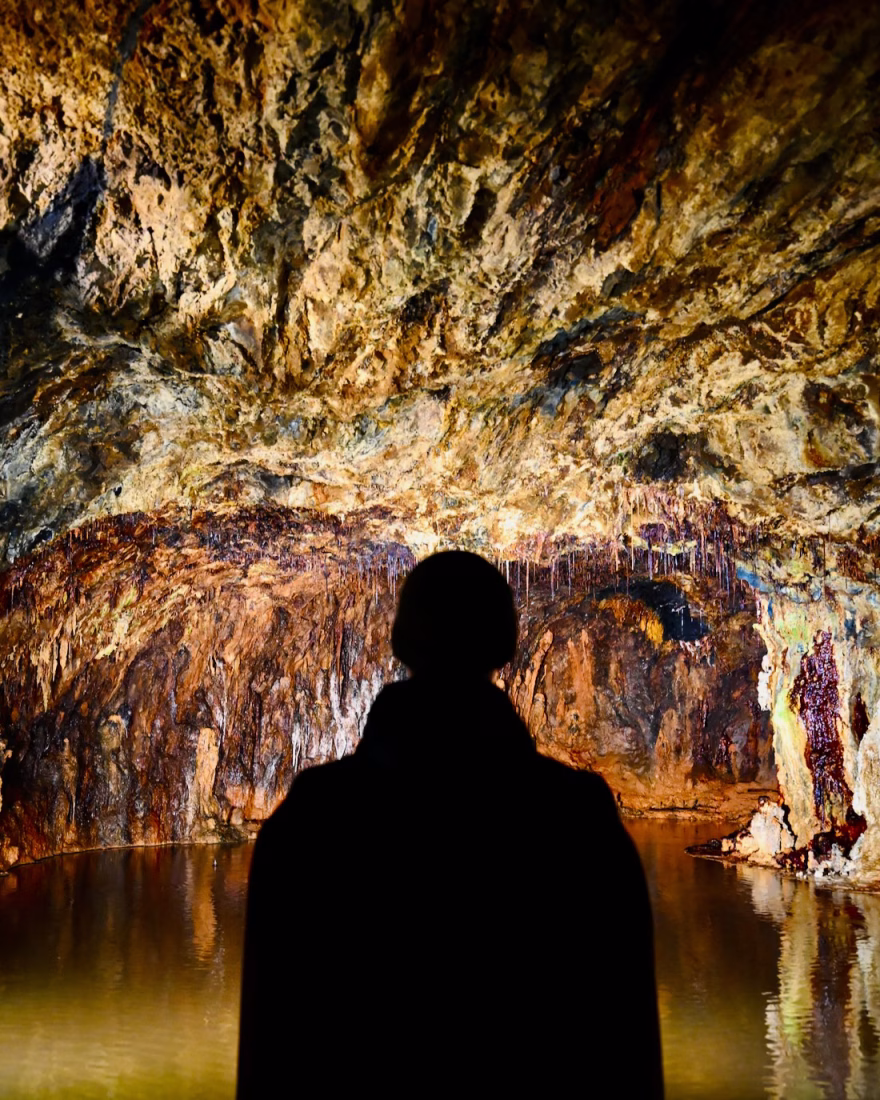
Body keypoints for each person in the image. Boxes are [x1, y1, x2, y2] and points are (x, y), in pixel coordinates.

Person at [237, 551, 663, 1097]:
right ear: (507, 644)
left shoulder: (315, 817)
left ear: (400, 643)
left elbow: (271, 1041)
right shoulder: (574, 819)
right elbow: (624, 1039)